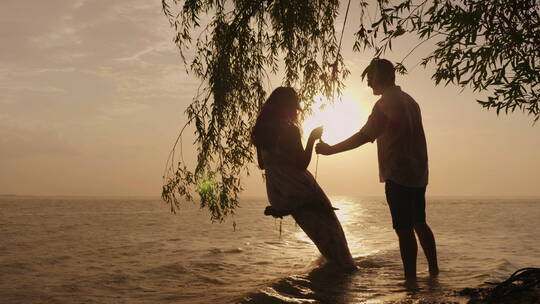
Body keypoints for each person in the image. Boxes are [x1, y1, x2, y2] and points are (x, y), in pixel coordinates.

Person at [316, 58, 439, 279]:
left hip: (398, 173)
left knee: (404, 230)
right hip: (419, 172)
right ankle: (434, 273)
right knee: (419, 222)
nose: (369, 84)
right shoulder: (411, 101)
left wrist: (331, 150)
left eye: (370, 78)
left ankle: (410, 282)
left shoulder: (384, 104)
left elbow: (364, 136)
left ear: (380, 77)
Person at [251, 86, 356, 271]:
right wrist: (312, 139)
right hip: (300, 189)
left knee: (322, 240)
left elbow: (262, 164)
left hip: (279, 193)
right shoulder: (288, 130)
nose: (296, 111)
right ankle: (341, 280)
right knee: (335, 239)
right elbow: (301, 163)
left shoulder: (261, 133)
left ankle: (329, 280)